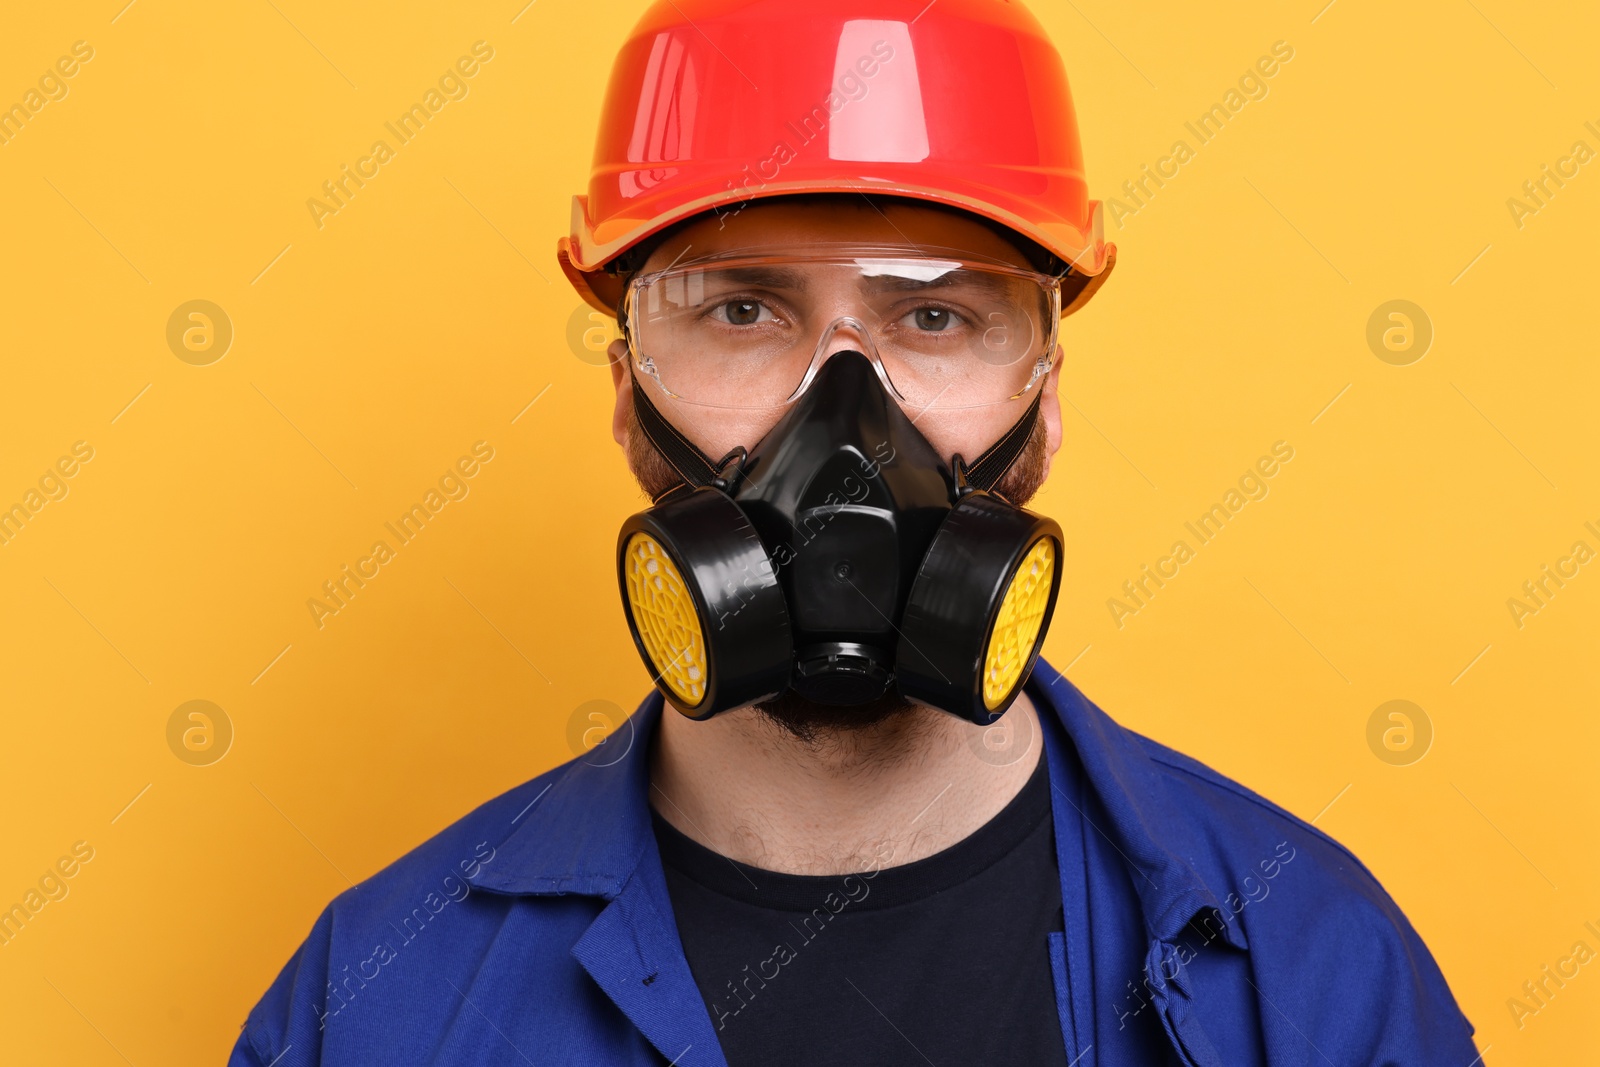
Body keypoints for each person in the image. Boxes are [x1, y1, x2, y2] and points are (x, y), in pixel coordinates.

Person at [231, 2, 1480, 1064]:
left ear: (1043, 397)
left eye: (935, 319)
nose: (842, 418)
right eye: (738, 309)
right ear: (626, 394)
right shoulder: (377, 1001)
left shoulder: (1306, 970)